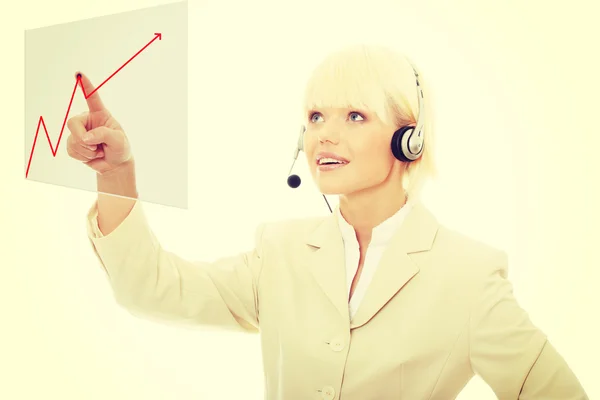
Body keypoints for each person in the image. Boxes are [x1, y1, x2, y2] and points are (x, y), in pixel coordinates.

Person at [67, 45, 588, 399]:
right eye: (316, 117)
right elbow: (150, 290)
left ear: (410, 139)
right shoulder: (279, 250)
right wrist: (118, 174)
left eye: (355, 116)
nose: (324, 136)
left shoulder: (470, 276)